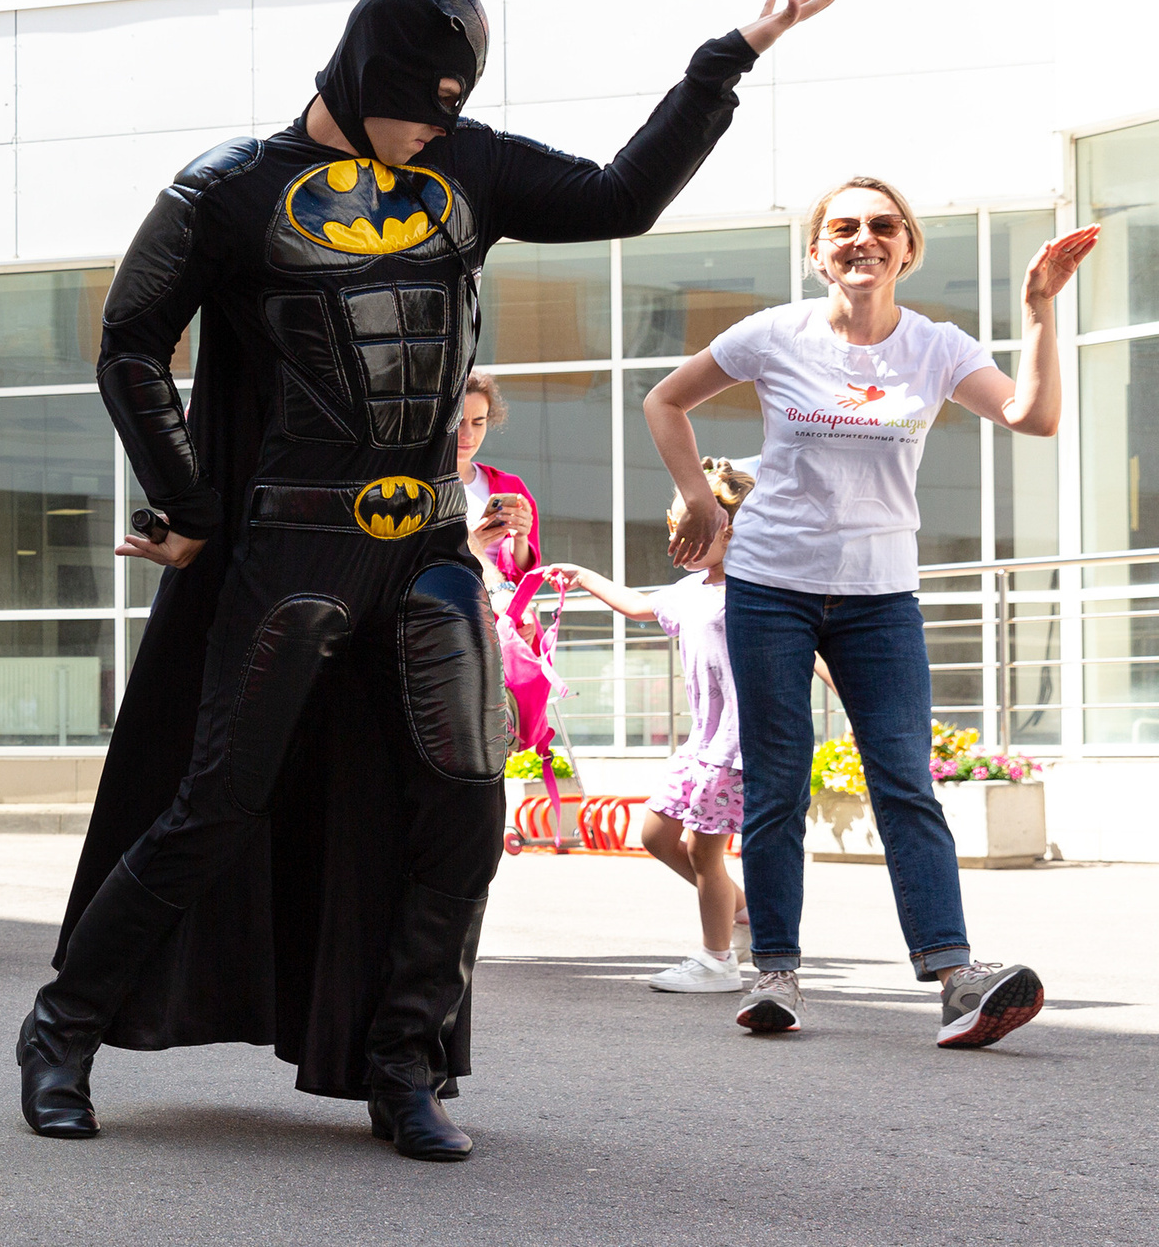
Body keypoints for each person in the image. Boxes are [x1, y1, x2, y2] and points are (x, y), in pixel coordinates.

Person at [23, 0, 840, 1160]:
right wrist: (188, 499)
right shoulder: (228, 190)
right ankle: (63, 1027)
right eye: (418, 104)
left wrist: (727, 61)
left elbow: (622, 196)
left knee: (464, 802)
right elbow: (131, 343)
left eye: (452, 104)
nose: (433, 128)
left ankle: (403, 1062)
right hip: (291, 541)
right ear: (358, 82)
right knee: (214, 804)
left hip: (425, 546)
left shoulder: (464, 163)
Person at [647, 178, 1097, 1046]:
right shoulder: (774, 334)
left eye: (882, 226)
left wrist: (1039, 308)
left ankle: (954, 973)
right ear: (818, 251)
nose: (864, 238)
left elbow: (1032, 415)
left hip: (881, 597)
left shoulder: (934, 346)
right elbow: (663, 400)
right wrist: (698, 497)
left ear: (906, 247)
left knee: (904, 779)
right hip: (772, 586)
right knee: (777, 781)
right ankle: (774, 971)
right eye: (844, 227)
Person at [544, 458, 757, 992]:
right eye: (673, 527)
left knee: (704, 850)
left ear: (728, 529)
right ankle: (744, 911)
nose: (677, 539)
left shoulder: (757, 591)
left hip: (737, 744)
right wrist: (583, 575)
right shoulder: (689, 590)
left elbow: (815, 652)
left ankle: (717, 961)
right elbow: (639, 606)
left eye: (688, 528)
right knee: (657, 834)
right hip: (701, 742)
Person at [455, 371, 538, 599]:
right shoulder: (420, 489)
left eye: (478, 422)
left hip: (502, 613)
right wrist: (465, 548)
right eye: (459, 423)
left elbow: (522, 578)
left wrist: (521, 538)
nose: (468, 434)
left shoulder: (510, 485)